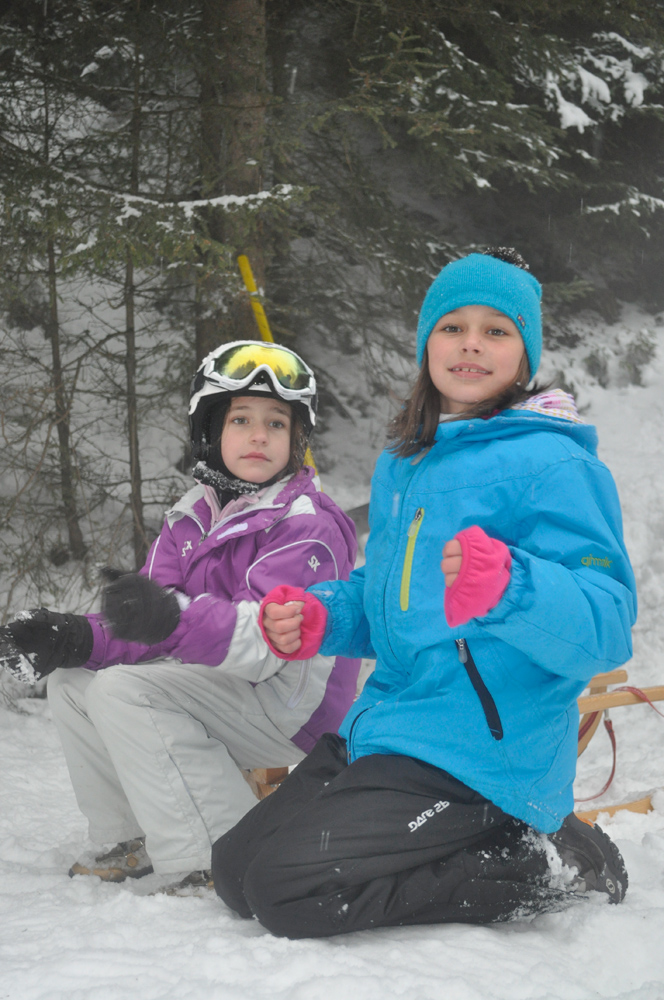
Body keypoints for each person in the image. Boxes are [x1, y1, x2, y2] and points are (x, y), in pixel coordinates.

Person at [210, 248, 637, 937]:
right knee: (235, 872)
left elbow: (607, 624)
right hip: (390, 727)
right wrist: (327, 615)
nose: (471, 343)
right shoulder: (406, 460)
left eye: (496, 330)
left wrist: (510, 587)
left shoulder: (554, 462)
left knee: (285, 890)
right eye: (453, 327)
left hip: (481, 754)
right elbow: (390, 596)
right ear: (426, 344)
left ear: (524, 354)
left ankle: (545, 861)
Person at [0, 340, 360, 891]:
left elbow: (265, 649)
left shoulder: (304, 525)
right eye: (241, 420)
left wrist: (169, 619)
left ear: (297, 440)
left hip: (290, 707)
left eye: (276, 423)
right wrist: (74, 638)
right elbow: (151, 626)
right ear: (210, 431)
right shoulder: (191, 515)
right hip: (222, 684)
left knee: (125, 691)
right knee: (74, 684)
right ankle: (129, 835)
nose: (259, 435)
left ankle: (215, 852)